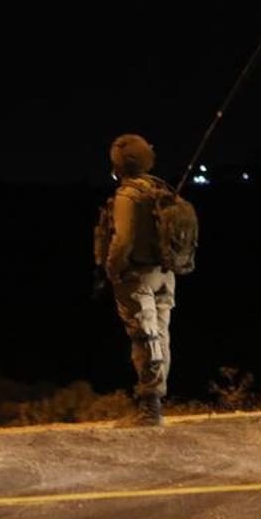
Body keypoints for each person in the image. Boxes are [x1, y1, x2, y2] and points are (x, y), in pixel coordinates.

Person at [96, 133, 177, 427]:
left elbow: (123, 241)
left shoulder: (128, 195)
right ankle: (155, 401)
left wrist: (112, 269)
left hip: (137, 277)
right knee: (160, 335)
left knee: (145, 338)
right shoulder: (158, 189)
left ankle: (149, 409)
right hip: (163, 276)